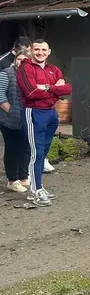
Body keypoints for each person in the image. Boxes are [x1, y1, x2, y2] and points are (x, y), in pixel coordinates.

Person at [17, 39, 71, 207]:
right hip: (33, 112)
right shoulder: (25, 68)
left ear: (49, 52)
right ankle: (35, 190)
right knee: (36, 153)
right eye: (37, 49)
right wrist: (54, 88)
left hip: (51, 114)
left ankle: (37, 187)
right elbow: (31, 92)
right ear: (31, 51)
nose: (40, 53)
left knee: (44, 152)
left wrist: (46, 87)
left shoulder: (53, 69)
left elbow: (67, 90)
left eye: (43, 50)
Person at [0, 51, 31, 192]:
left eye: (25, 59)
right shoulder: (6, 73)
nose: (22, 62)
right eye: (19, 59)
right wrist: (11, 111)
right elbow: (0, 96)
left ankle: (23, 177)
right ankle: (12, 180)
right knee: (12, 148)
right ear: (15, 59)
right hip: (9, 120)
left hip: (28, 117)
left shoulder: (31, 75)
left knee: (26, 147)